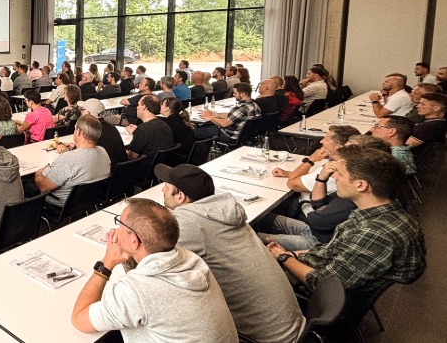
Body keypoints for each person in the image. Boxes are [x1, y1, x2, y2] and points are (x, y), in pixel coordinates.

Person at [266, 146, 425, 326]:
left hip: (319, 295)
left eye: (340, 174)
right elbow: (331, 250)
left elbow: (320, 282)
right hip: (321, 271)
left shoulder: (374, 234)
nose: (334, 177)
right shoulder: (380, 212)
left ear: (360, 185)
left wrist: (283, 257)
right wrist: (293, 254)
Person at [157, 164, 304, 343]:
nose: (162, 190)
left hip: (265, 338)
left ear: (180, 196)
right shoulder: (225, 210)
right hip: (294, 327)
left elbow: (157, 262)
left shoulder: (190, 222)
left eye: (166, 187)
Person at [70, 198, 237, 342]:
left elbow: (79, 319)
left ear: (134, 240)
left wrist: (107, 262)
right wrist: (130, 256)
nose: (117, 230)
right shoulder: (190, 258)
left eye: (120, 224)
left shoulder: (135, 292)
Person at [271, 125, 360, 219]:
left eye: (326, 139)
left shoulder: (333, 171)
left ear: (339, 146)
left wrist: (311, 160)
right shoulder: (348, 164)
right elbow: (306, 178)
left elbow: (292, 184)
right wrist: (288, 174)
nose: (321, 141)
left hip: (304, 211)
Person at [33, 115, 110, 206]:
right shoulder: (103, 152)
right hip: (88, 203)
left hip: (59, 205)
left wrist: (38, 174)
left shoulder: (68, 159)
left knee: (29, 186)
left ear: (79, 132)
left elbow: (43, 187)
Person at [195, 82, 261, 143]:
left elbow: (224, 124)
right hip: (245, 137)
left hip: (229, 135)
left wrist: (210, 117)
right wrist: (215, 114)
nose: (233, 94)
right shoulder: (255, 105)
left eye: (235, 93)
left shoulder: (242, 109)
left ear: (243, 94)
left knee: (195, 132)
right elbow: (233, 115)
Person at [73, 99, 127, 166]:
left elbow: (77, 157)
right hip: (120, 169)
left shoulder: (88, 132)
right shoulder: (112, 128)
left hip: (103, 170)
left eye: (82, 110)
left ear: (87, 113)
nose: (81, 113)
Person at [125, 95, 175, 159]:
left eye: (138, 105)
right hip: (163, 162)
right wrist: (137, 131)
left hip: (145, 163)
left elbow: (132, 156)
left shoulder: (143, 129)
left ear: (144, 107)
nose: (137, 107)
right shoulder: (164, 125)